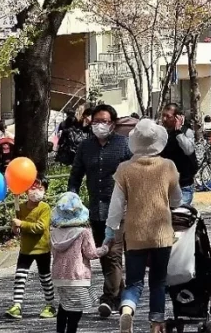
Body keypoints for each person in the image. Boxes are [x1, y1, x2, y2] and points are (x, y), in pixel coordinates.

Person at [105, 119, 181, 333]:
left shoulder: (124, 169)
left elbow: (116, 206)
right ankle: (156, 324)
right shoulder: (168, 166)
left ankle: (127, 310)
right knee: (158, 280)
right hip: (162, 234)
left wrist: (110, 230)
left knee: (134, 282)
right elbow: (177, 200)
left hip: (135, 234)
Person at [67, 104, 132, 318]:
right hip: (95, 210)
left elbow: (134, 174)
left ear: (112, 124)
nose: (99, 125)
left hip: (119, 210)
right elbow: (76, 176)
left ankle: (109, 298)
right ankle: (120, 294)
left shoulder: (123, 145)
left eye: (103, 121)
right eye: (95, 122)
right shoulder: (86, 147)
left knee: (113, 253)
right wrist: (71, 199)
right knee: (103, 254)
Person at [50, 192, 110, 333]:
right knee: (77, 307)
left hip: (59, 275)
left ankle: (60, 330)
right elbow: (91, 253)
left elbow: (54, 251)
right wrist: (105, 248)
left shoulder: (54, 232)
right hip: (77, 276)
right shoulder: (84, 232)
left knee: (64, 304)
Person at [5, 180, 56, 319]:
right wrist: (15, 228)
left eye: (40, 188)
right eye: (33, 188)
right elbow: (18, 230)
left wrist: (22, 223)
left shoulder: (44, 208)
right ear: (26, 190)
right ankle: (17, 305)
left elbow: (39, 227)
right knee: (20, 277)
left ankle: (50, 305)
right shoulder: (20, 207)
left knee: (45, 278)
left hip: (42, 249)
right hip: (25, 250)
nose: (37, 191)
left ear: (45, 191)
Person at [159, 103, 200, 207]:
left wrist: (178, 133)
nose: (164, 119)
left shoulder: (186, 132)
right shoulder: (162, 134)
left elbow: (189, 150)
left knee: (179, 218)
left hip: (183, 185)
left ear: (177, 117)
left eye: (168, 116)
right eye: (163, 115)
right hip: (166, 185)